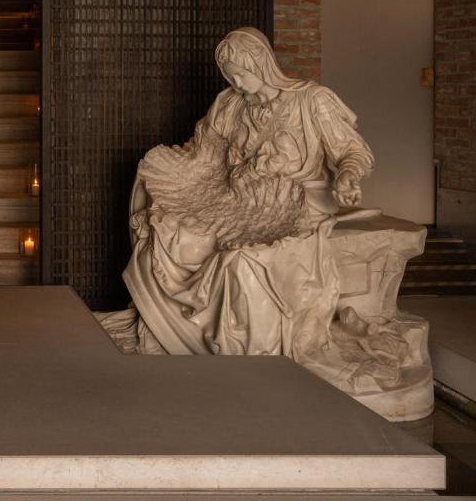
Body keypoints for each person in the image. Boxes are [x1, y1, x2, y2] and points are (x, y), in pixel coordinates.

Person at [117, 27, 399, 383]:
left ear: (261, 63)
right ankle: (174, 330)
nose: (236, 81)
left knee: (241, 261)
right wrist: (170, 169)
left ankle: (237, 350)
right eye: (229, 75)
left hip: (297, 203)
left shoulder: (311, 101)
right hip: (234, 199)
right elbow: (204, 153)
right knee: (174, 231)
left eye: (241, 72)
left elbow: (353, 152)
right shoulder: (229, 103)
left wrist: (347, 176)